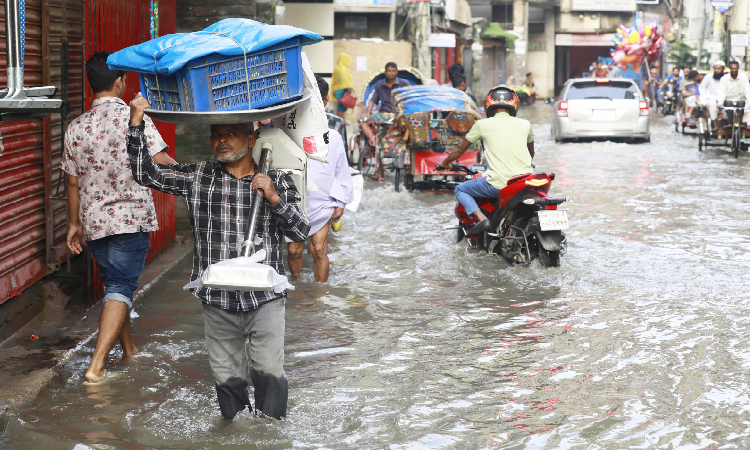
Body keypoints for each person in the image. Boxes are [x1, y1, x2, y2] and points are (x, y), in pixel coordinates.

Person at [127, 100, 310, 420]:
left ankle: (269, 436)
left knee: (268, 371)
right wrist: (137, 124)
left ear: (251, 139)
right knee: (227, 379)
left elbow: (300, 231)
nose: (221, 140)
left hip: (265, 297)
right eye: (216, 134)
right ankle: (237, 435)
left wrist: (273, 197)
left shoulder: (276, 179)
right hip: (217, 298)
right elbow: (145, 173)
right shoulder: (198, 176)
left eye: (231, 133)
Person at [62, 51, 176, 384]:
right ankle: (96, 369)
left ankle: (129, 350)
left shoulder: (76, 127)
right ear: (119, 82)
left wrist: (73, 225)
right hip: (130, 219)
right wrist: (197, 175)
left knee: (116, 286)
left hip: (95, 223)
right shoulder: (133, 117)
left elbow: (72, 181)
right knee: (121, 286)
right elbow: (162, 160)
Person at [436, 87, 534, 237]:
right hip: (526, 182)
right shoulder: (525, 124)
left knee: (460, 189)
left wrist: (444, 163)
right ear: (514, 105)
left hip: (500, 183)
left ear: (489, 106)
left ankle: (481, 219)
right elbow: (531, 153)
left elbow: (460, 150)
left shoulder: (482, 125)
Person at [288, 77, 353, 282]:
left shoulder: (333, 135)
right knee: (294, 250)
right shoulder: (287, 128)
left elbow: (342, 168)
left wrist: (341, 202)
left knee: (318, 248)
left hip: (323, 199)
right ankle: (298, 289)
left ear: (324, 100)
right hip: (296, 200)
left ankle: (320, 296)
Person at [365, 62, 407, 180]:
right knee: (364, 124)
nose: (391, 73)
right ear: (385, 72)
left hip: (399, 115)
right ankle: (380, 171)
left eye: (393, 71)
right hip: (384, 115)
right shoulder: (379, 84)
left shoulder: (404, 84)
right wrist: (368, 113)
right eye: (389, 71)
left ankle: (397, 147)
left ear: (396, 72)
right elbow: (373, 100)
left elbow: (408, 98)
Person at [718, 60, 750, 127]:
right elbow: (722, 91)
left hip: (740, 99)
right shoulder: (724, 78)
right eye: (732, 68)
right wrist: (720, 103)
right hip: (729, 100)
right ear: (730, 68)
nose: (734, 70)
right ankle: (730, 124)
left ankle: (740, 123)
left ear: (738, 68)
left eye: (736, 68)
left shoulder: (744, 77)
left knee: (741, 103)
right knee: (728, 103)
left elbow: (747, 90)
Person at [699, 60, 725, 132]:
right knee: (712, 105)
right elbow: (702, 88)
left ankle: (727, 126)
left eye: (718, 69)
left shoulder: (726, 78)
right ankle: (715, 125)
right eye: (715, 68)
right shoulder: (708, 77)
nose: (716, 70)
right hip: (711, 99)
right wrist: (703, 101)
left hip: (723, 99)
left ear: (723, 69)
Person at [331, 52, 354, 118]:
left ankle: (342, 119)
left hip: (337, 89)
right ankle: (341, 120)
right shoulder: (342, 69)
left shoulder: (337, 68)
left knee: (342, 105)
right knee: (341, 106)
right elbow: (344, 80)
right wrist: (349, 87)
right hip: (342, 90)